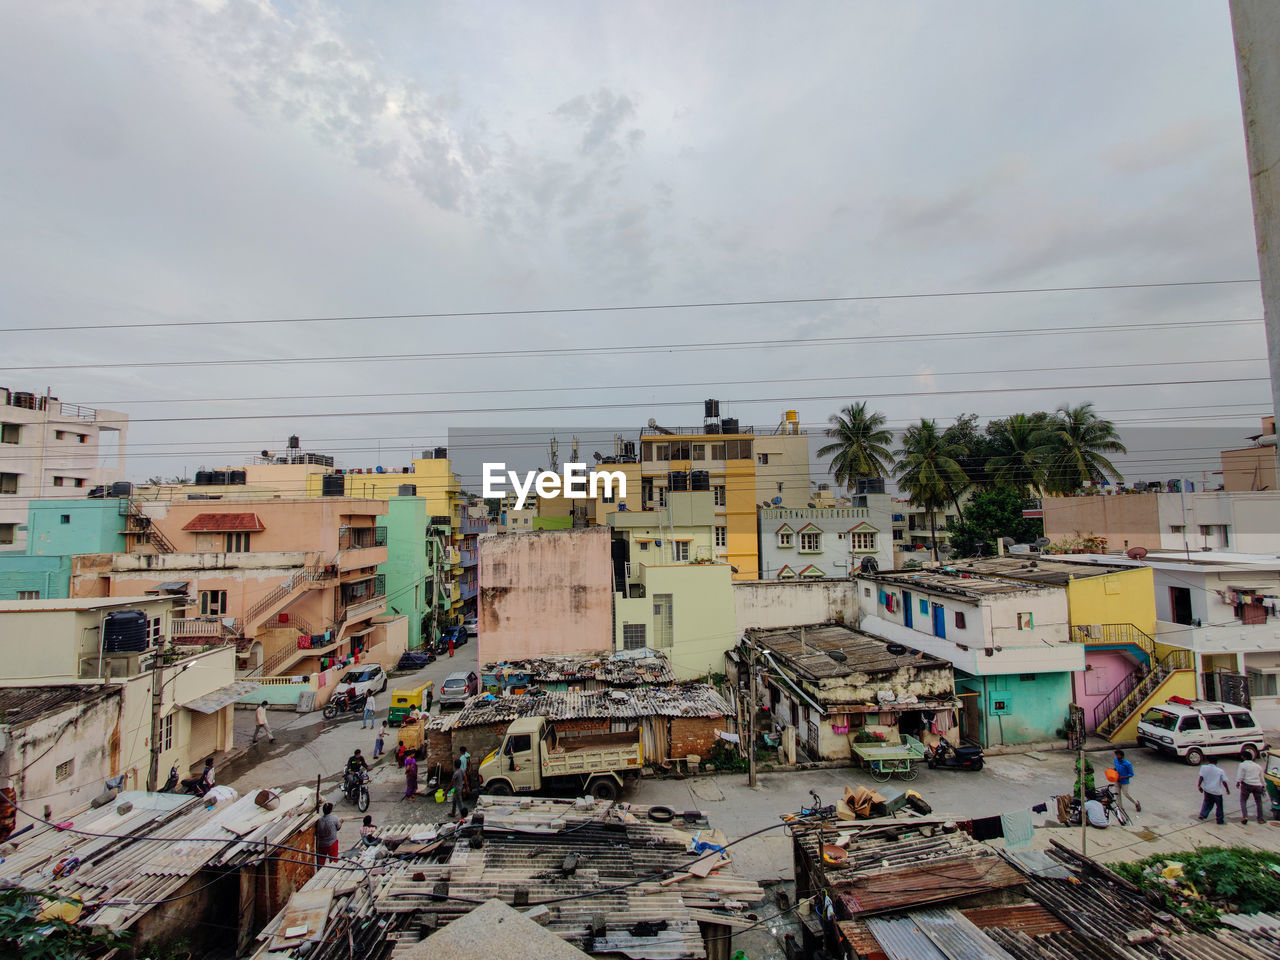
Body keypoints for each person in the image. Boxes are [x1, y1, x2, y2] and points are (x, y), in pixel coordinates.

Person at [1198, 758, 1230, 825]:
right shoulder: (1220, 771)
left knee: (1207, 803)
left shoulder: (1203, 768)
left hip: (1207, 790)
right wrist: (1227, 789)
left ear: (1209, 761)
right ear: (1216, 763)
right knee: (1219, 806)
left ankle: (1203, 814)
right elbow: (1224, 781)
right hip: (1217, 792)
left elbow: (1201, 777)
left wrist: (1199, 785)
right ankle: (1219, 820)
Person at [1237, 755, 1267, 824]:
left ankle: (1245, 817)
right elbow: (1261, 778)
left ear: (1245, 757)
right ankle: (1260, 819)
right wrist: (1264, 786)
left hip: (1246, 784)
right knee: (1258, 802)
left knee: (1243, 801)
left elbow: (1240, 775)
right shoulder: (1258, 766)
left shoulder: (1242, 765)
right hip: (1257, 785)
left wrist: (1238, 782)